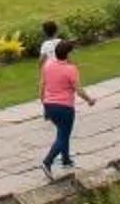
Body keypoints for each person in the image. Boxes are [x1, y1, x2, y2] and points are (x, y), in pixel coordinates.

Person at [37, 39, 97, 178]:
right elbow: (79, 90)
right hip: (64, 107)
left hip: (49, 105)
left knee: (62, 132)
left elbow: (42, 85)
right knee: (63, 136)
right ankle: (47, 162)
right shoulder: (71, 69)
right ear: (68, 54)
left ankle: (66, 159)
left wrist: (44, 104)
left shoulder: (48, 64)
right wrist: (90, 100)